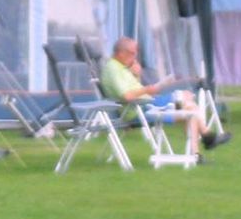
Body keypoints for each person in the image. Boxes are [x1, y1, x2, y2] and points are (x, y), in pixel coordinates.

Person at [97, 37, 229, 154]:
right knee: (186, 101)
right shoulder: (113, 69)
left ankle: (198, 151)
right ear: (121, 53)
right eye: (132, 53)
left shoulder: (121, 67)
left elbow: (131, 90)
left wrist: (137, 75)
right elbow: (127, 96)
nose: (135, 56)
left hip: (148, 105)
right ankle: (206, 138)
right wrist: (147, 89)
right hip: (143, 109)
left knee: (190, 107)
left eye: (136, 52)